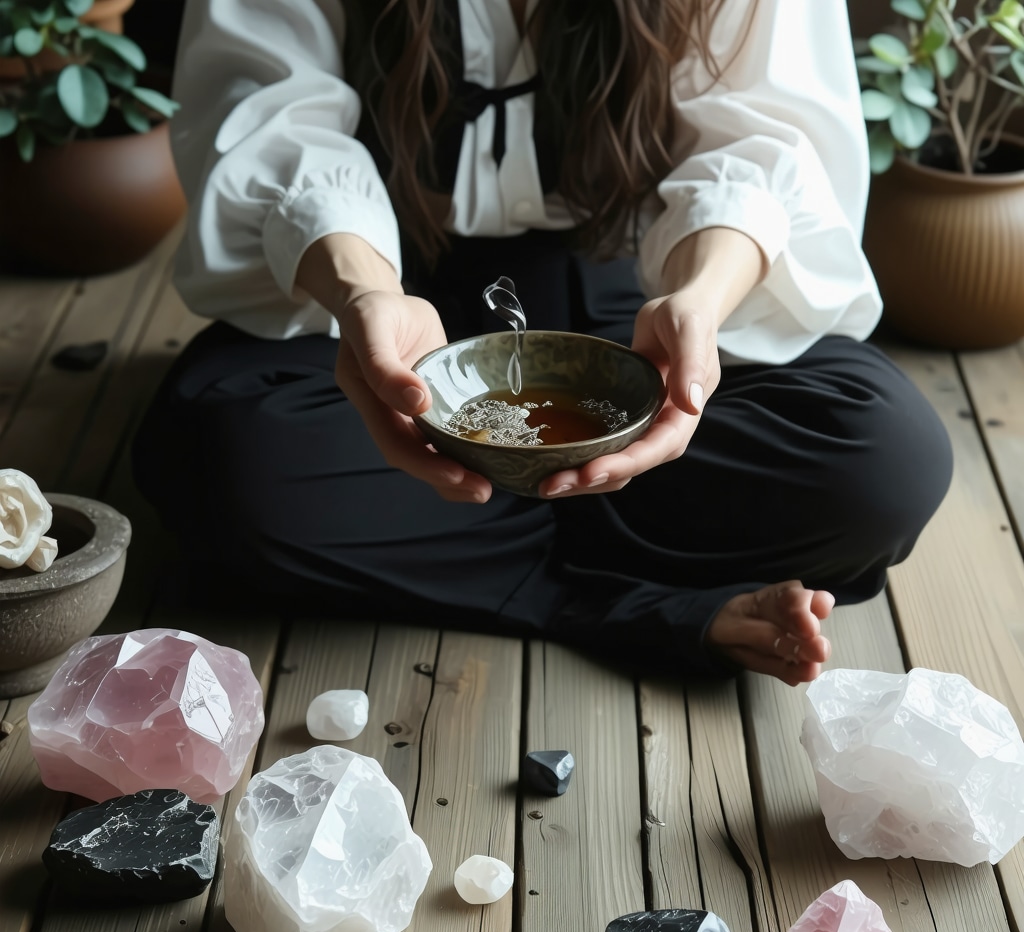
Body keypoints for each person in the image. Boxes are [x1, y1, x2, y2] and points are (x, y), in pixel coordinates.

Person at [133, 0, 953, 685]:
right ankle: (661, 594)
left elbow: (768, 135)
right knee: (223, 459)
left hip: (643, 277)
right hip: (395, 273)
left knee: (881, 462)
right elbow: (269, 110)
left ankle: (495, 556)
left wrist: (700, 300)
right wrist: (364, 294)